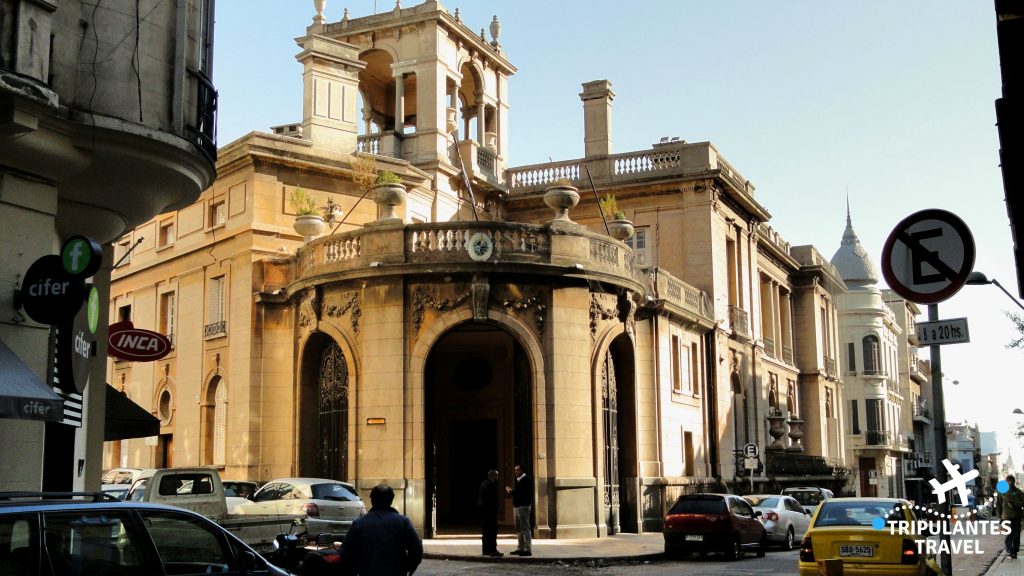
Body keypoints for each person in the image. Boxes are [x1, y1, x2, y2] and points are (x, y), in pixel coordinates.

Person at [340, 484, 423, 575]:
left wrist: (356, 569)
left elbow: (346, 552)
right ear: (391, 500)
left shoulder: (359, 524)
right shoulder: (402, 522)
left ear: (372, 500)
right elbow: (416, 549)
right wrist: (409, 567)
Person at [506, 464, 534, 556]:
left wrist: (512, 491)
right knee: (518, 529)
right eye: (515, 470)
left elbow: (523, 494)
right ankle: (520, 548)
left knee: (525, 528)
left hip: (523, 506)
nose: (515, 472)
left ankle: (527, 549)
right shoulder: (519, 480)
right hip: (517, 506)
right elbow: (519, 493)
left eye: (517, 470)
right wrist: (512, 492)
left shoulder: (526, 480)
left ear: (522, 471)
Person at [478, 469, 502, 556]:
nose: (498, 477)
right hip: (490, 512)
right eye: (497, 475)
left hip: (485, 512)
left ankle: (485, 550)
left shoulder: (484, 483)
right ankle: (492, 549)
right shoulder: (491, 485)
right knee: (492, 531)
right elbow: (491, 500)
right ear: (493, 476)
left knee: (486, 531)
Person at [1000, 475, 1024, 559]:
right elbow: (999, 505)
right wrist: (1000, 517)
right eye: (1007, 482)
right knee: (1009, 533)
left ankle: (1015, 551)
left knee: (1016, 534)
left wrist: (1012, 499)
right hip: (1006, 516)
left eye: (1010, 481)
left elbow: (1021, 503)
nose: (1009, 483)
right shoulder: (1002, 492)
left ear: (1013, 482)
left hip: (1017, 515)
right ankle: (1010, 550)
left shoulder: (1018, 492)